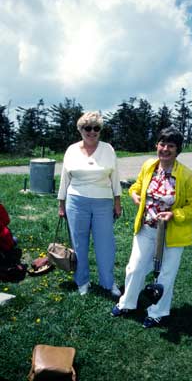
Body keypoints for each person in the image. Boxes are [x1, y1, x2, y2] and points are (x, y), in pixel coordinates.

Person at [111, 126, 192, 328]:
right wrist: (134, 194)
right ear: (157, 145)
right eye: (162, 144)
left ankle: (158, 312)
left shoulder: (190, 177)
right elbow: (137, 186)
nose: (165, 149)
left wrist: (174, 214)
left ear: (178, 150)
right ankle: (127, 303)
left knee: (166, 274)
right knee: (134, 267)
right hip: (146, 228)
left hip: (173, 232)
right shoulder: (149, 166)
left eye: (171, 146)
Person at [58, 111, 122, 296]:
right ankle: (82, 281)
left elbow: (115, 177)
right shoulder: (71, 150)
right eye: (88, 128)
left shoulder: (108, 149)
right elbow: (64, 178)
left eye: (96, 128)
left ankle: (108, 283)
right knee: (79, 244)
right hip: (76, 202)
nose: (92, 132)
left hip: (103, 202)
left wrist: (117, 202)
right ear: (80, 129)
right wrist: (61, 204)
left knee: (106, 245)